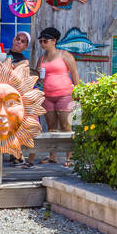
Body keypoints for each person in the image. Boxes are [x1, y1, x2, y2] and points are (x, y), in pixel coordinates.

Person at [33, 26, 80, 165]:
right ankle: (52, 156)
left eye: (45, 41)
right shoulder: (41, 58)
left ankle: (69, 158)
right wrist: (38, 73)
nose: (42, 43)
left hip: (65, 94)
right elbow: (37, 78)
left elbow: (75, 72)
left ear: (54, 41)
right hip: (48, 96)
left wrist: (78, 91)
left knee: (66, 126)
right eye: (40, 41)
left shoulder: (64, 55)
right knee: (51, 127)